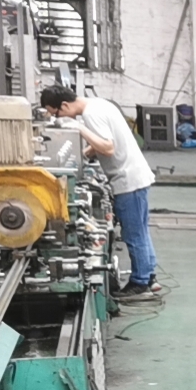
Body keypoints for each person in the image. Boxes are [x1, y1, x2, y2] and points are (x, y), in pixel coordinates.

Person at [40, 85, 162, 300]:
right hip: (135, 176)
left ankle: (140, 283)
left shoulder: (90, 115)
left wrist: (79, 128)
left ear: (65, 105)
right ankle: (149, 277)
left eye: (56, 113)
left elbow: (108, 147)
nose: (58, 118)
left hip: (128, 181)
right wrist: (84, 156)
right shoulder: (98, 104)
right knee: (140, 231)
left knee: (133, 234)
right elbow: (103, 143)